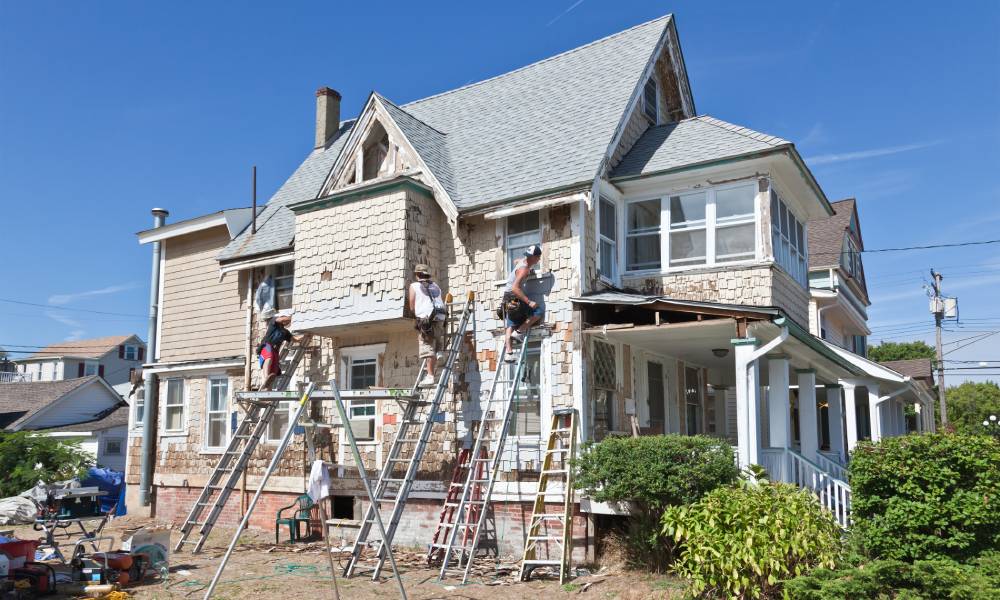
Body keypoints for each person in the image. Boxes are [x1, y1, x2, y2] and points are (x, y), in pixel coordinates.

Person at [408, 263, 447, 387]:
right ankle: (440, 352)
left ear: (417, 275)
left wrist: (417, 315)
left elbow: (412, 306)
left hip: (426, 318)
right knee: (437, 336)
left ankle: (430, 376)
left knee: (427, 346)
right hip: (440, 315)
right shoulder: (435, 285)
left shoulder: (414, 286)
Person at [503, 244, 544, 361]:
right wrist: (529, 301)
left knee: (510, 324)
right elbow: (515, 288)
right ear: (534, 257)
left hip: (506, 298)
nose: (539, 259)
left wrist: (529, 269)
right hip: (514, 297)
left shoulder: (522, 262)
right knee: (538, 312)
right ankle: (520, 331)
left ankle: (509, 353)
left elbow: (516, 261)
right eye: (538, 257)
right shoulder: (524, 270)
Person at [256, 314, 302, 391]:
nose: (287, 322)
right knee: (269, 357)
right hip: (267, 345)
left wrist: (306, 335)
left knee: (274, 370)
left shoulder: (285, 332)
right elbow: (281, 319)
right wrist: (293, 317)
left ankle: (267, 390)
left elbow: (295, 339)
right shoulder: (274, 322)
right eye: (286, 320)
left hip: (276, 350)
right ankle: (266, 378)